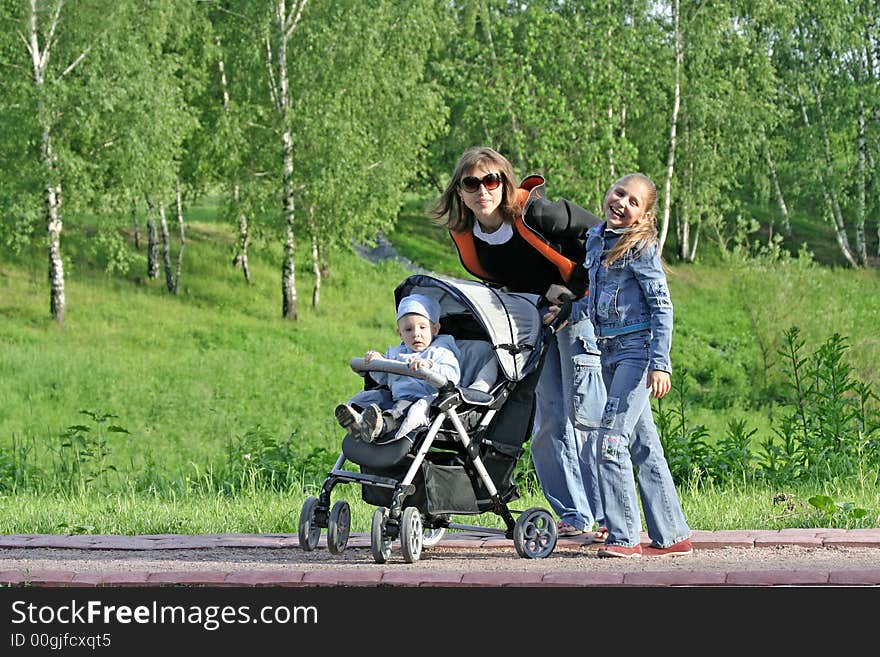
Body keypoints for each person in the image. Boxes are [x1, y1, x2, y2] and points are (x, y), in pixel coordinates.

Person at [434, 145, 607, 541]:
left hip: (579, 311)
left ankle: (609, 515)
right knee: (548, 419)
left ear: (505, 183)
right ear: (460, 191)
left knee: (586, 416)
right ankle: (574, 515)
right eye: (472, 183)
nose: (483, 190)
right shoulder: (468, 235)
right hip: (536, 319)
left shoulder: (536, 213)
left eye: (491, 180)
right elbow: (501, 284)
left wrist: (572, 288)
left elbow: (598, 234)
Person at [567, 172, 692, 558]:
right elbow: (595, 293)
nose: (622, 203)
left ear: (643, 216)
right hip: (606, 350)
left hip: (637, 354)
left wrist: (660, 363)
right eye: (619, 193)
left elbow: (661, 307)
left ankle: (624, 536)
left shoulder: (641, 248)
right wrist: (564, 307)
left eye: (633, 201)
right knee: (643, 443)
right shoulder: (595, 239)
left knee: (610, 441)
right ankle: (673, 535)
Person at [335, 293, 461, 442]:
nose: (416, 334)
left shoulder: (440, 351)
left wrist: (430, 366)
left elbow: (453, 375)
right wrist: (377, 363)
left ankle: (382, 426)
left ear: (435, 329)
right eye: (409, 330)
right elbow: (384, 379)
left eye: (422, 327)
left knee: (401, 409)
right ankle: (356, 418)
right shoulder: (397, 353)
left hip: (420, 399)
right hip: (394, 395)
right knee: (375, 396)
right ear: (400, 333)